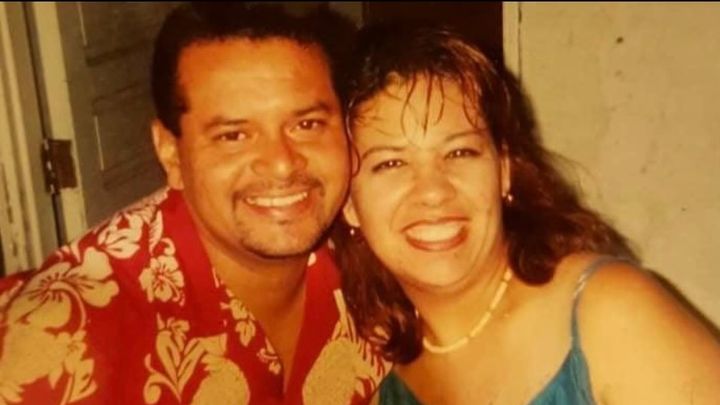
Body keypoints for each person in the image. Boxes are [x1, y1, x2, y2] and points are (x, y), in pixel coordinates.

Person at [0, 4, 387, 404]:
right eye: (233, 136)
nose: (282, 163)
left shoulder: (381, 248)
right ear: (170, 153)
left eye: (306, 125)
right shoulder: (64, 339)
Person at [332, 21, 720, 405]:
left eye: (460, 152)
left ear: (503, 171)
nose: (433, 191)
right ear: (349, 204)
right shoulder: (384, 387)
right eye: (391, 164)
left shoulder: (611, 315)